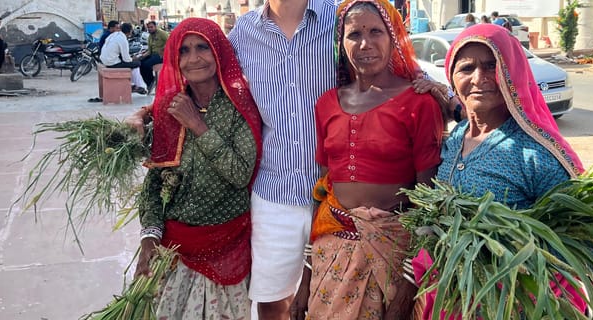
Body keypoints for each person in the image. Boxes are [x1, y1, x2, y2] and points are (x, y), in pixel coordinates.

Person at [411, 23, 593, 319]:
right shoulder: (458, 136)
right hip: (452, 300)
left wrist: (516, 269)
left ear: (513, 73)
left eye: (491, 66)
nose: (479, 78)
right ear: (452, 77)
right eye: (466, 68)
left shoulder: (537, 154)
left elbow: (582, 243)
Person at [292, 0, 445, 319]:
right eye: (354, 33)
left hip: (391, 256)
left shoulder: (419, 103)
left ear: (394, 38)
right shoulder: (327, 104)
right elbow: (324, 194)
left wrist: (405, 292)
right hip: (330, 256)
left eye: (376, 31)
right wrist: (304, 282)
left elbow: (428, 204)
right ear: (341, 42)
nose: (365, 43)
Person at [127, 17, 263, 320]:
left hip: (227, 245)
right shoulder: (168, 107)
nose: (194, 58)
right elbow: (154, 182)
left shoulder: (240, 105)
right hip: (174, 250)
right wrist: (149, 236)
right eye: (184, 51)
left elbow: (240, 173)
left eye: (203, 47)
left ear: (219, 52)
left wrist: (198, 127)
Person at [228, 0, 337, 318]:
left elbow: (392, 69)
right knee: (273, 299)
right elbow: (209, 85)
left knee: (338, 297)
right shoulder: (243, 33)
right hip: (274, 192)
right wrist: (146, 113)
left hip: (340, 191)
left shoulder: (341, 19)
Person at [100, 22, 148, 94]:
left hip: (104, 60)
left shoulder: (114, 35)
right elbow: (127, 59)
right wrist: (134, 58)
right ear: (130, 31)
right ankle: (138, 86)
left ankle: (136, 85)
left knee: (133, 64)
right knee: (137, 64)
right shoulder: (123, 39)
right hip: (112, 63)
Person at [139, 21, 169, 87]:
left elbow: (170, 41)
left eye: (151, 27)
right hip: (153, 54)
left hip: (161, 55)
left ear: (155, 27)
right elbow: (149, 51)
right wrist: (142, 56)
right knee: (140, 63)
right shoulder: (150, 37)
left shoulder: (162, 33)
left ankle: (151, 81)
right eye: (148, 27)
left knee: (146, 64)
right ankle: (149, 83)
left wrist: (163, 49)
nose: (150, 29)